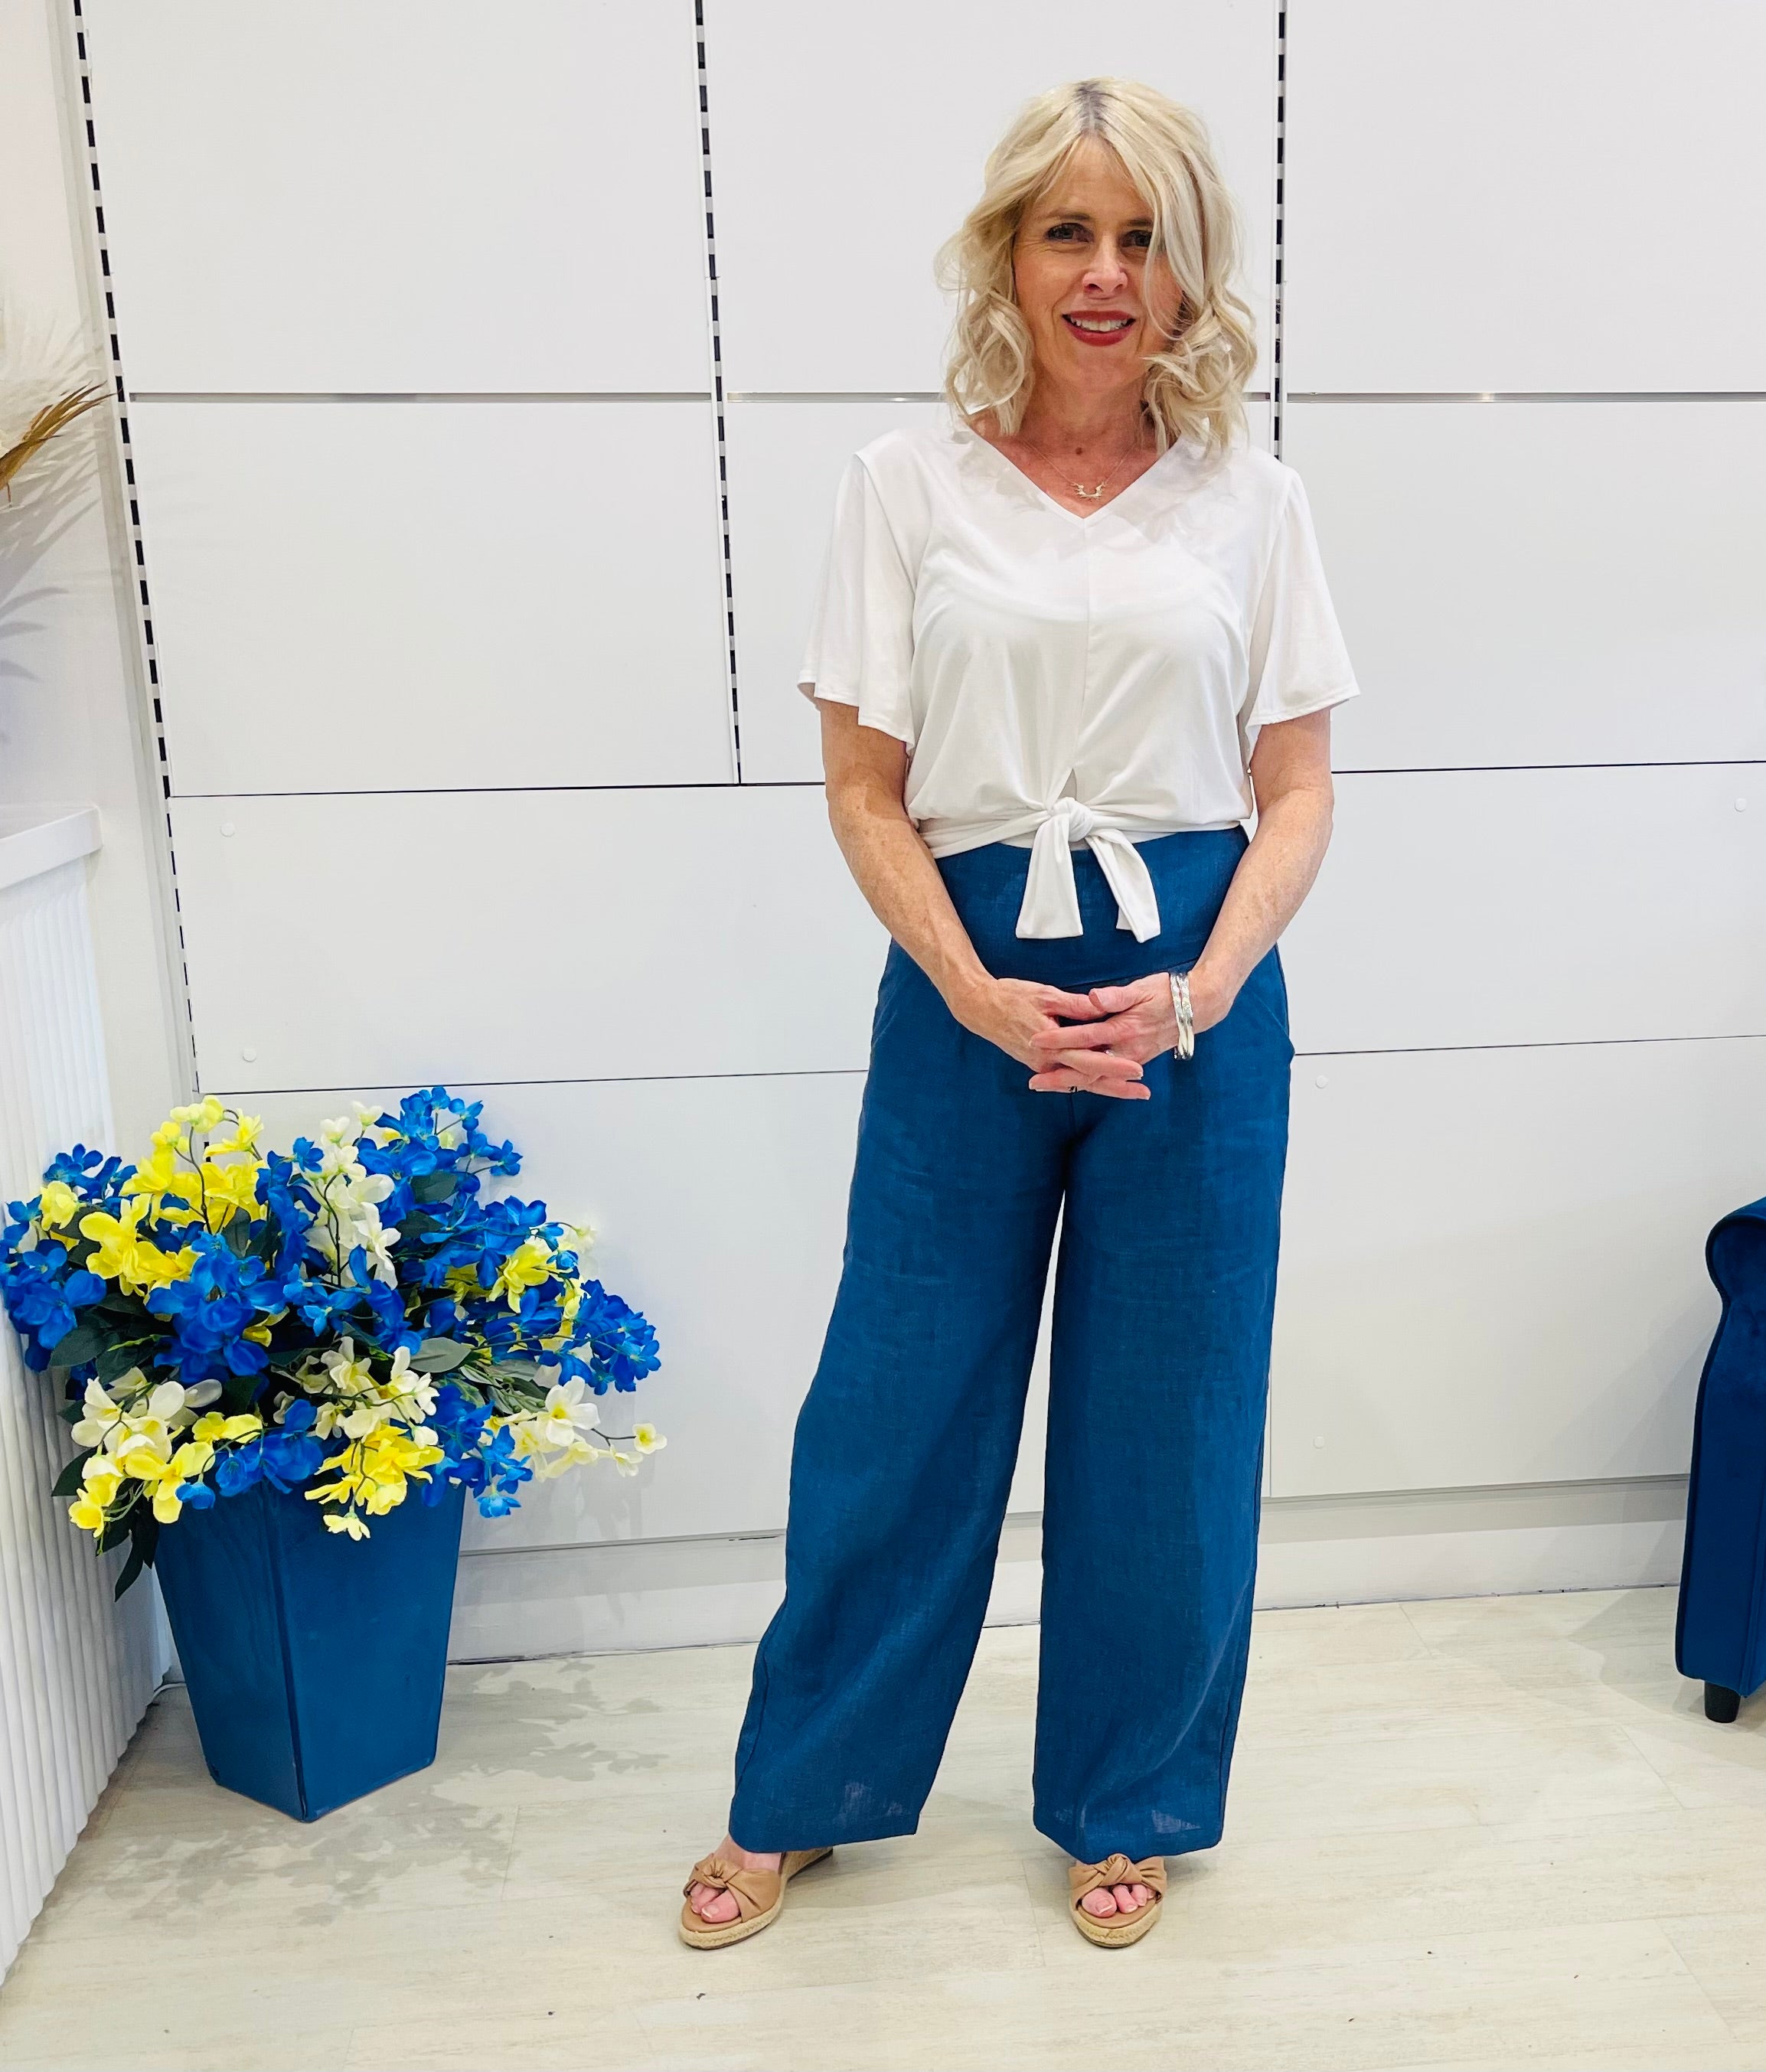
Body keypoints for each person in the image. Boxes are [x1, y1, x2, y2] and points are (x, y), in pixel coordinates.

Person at [681, 75, 1356, 1953]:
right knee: (896, 1408)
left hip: (1190, 983)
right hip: (961, 974)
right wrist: (974, 988)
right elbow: (863, 789)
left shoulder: (1255, 499)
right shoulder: (903, 487)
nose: (1106, 273)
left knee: (1170, 1419)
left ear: (1189, 267)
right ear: (1007, 251)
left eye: (1144, 236)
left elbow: (1292, 791)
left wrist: (1201, 992)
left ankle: (1124, 1795)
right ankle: (800, 1788)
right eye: (1070, 230)